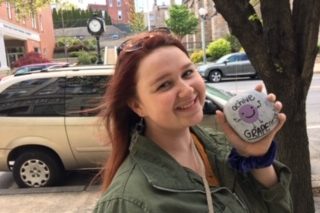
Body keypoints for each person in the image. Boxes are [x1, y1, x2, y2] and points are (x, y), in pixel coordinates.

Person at [94, 29, 292, 213]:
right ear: (137, 105)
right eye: (164, 84)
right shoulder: (128, 202)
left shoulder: (224, 150)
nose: (187, 90)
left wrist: (258, 158)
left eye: (187, 73)